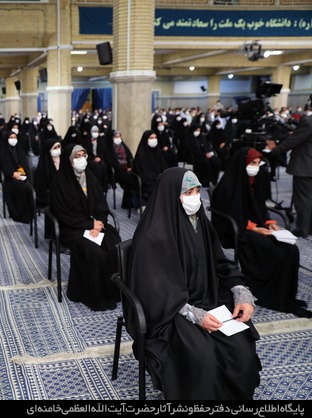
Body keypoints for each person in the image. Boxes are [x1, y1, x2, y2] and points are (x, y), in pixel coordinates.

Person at [128, 167, 261, 400]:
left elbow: (221, 262)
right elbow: (153, 290)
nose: (195, 197)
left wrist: (241, 292)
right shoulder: (151, 237)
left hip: (208, 300)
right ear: (170, 195)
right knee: (203, 358)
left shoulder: (200, 224)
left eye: (198, 191)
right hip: (170, 312)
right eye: (188, 192)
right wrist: (194, 315)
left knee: (241, 351)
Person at [211, 147, 311, 318]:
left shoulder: (254, 182)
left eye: (258, 163)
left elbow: (260, 209)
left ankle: (284, 294)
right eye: (252, 163)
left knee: (291, 250)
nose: (255, 167)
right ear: (242, 164)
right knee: (273, 251)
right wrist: (253, 228)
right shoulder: (228, 185)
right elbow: (230, 215)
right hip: (237, 230)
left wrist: (270, 224)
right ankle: (265, 291)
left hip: (256, 227)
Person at [49, 144, 121, 311]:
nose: (81, 159)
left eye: (83, 155)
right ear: (68, 160)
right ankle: (93, 294)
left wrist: (99, 223)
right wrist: (89, 225)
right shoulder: (59, 182)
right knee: (94, 252)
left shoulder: (90, 177)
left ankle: (112, 291)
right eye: (77, 156)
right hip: (72, 229)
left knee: (114, 244)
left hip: (95, 224)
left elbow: (101, 205)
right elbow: (62, 215)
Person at [265, 107, 312, 238]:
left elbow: (293, 141)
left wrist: (274, 151)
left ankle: (302, 229)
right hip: (307, 166)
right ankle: (309, 227)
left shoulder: (308, 121)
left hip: (305, 166)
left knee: (303, 199)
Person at [0, 130, 34, 224]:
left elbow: (25, 165)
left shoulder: (19, 149)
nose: (13, 139)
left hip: (22, 175)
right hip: (10, 179)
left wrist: (24, 174)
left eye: (15, 137)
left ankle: (29, 212)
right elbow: (4, 166)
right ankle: (20, 214)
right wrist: (13, 174)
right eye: (11, 138)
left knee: (29, 185)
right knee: (21, 187)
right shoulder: (4, 151)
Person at [132, 130, 168, 207]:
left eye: (155, 137)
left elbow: (163, 167)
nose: (154, 140)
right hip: (147, 182)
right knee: (158, 188)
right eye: (151, 138)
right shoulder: (141, 154)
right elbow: (142, 172)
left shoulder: (158, 151)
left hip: (159, 178)